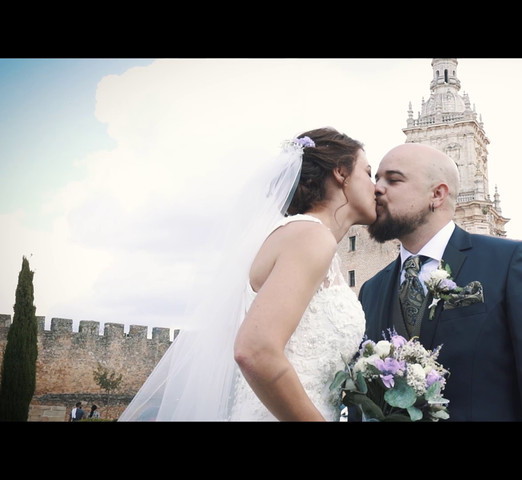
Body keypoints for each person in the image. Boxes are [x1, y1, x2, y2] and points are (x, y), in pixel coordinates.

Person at [119, 127, 376, 421]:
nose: (376, 186)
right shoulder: (310, 236)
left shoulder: (306, 240)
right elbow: (254, 350)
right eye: (368, 173)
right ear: (341, 173)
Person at [358, 143, 522, 421]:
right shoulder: (371, 290)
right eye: (376, 178)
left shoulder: (509, 263)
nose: (377, 188)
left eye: (393, 180)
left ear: (437, 195)